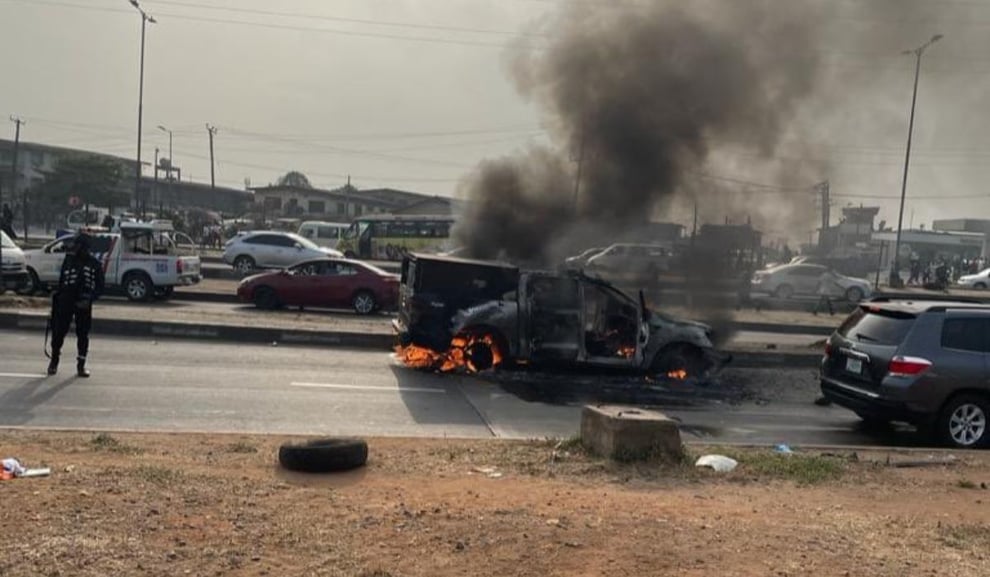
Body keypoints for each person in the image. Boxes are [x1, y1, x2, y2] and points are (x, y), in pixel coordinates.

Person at [47, 234, 105, 377]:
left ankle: (81, 365)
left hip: (83, 303)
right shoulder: (69, 260)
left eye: (78, 246)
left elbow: (100, 287)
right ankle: (54, 362)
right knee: (59, 332)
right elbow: (62, 281)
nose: (76, 248)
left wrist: (90, 298)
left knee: (83, 334)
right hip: (66, 301)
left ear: (85, 247)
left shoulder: (94, 264)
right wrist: (58, 298)